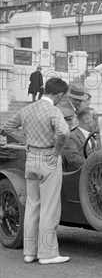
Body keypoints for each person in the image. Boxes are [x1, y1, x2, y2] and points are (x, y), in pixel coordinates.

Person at [2, 77, 70, 265]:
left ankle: (29, 252)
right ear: (59, 94)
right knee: (49, 208)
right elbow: (64, 132)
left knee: (32, 206)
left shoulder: (27, 109)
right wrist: (57, 150)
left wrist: (26, 141)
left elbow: (7, 127)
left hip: (31, 158)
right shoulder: (53, 110)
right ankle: (48, 254)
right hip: (49, 158)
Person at [63, 107, 98, 172]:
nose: (98, 122)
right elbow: (74, 160)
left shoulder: (95, 137)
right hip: (80, 177)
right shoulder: (71, 137)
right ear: (86, 120)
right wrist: (96, 166)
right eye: (95, 119)